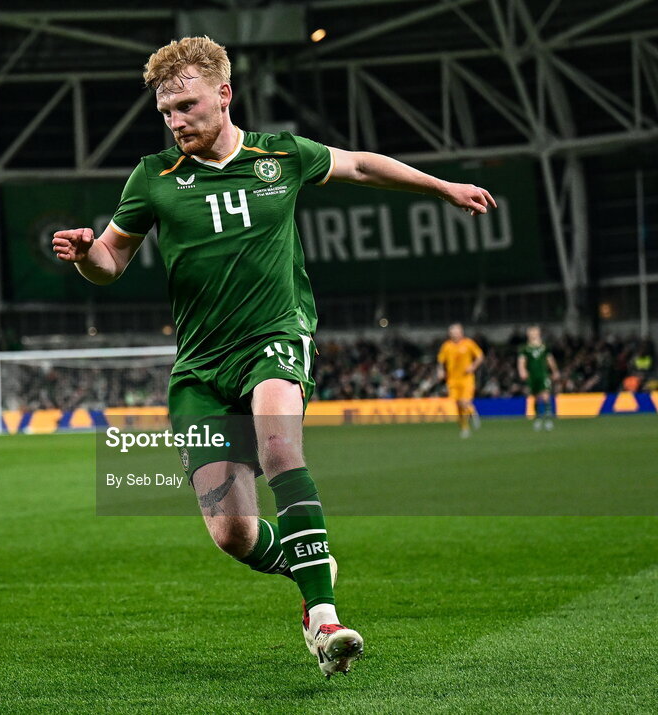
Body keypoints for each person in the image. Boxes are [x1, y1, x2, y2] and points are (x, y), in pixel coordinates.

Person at [52, 36, 497, 678]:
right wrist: (85, 253)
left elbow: (364, 166)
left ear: (225, 95)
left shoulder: (280, 155)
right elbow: (111, 263)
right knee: (232, 533)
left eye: (187, 105)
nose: (176, 121)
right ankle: (307, 558)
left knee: (280, 445)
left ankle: (324, 618)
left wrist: (441, 187)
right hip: (200, 367)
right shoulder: (154, 178)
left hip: (274, 336)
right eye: (166, 112)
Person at [437, 323, 484, 438]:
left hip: (466, 379)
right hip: (452, 380)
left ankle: (472, 413)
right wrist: (440, 370)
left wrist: (473, 366)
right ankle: (464, 428)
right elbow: (440, 361)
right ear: (449, 334)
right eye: (452, 332)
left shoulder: (468, 343)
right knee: (458, 405)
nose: (455, 334)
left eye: (457, 332)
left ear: (461, 332)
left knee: (464, 401)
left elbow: (480, 356)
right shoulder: (446, 346)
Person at [517, 325, 560, 431]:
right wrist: (522, 371)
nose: (533, 334)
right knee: (536, 398)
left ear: (538, 334)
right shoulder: (525, 348)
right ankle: (538, 418)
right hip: (532, 376)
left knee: (545, 396)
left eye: (535, 332)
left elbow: (550, 359)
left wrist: (555, 371)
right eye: (531, 332)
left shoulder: (544, 347)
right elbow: (521, 361)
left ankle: (548, 420)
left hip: (543, 375)